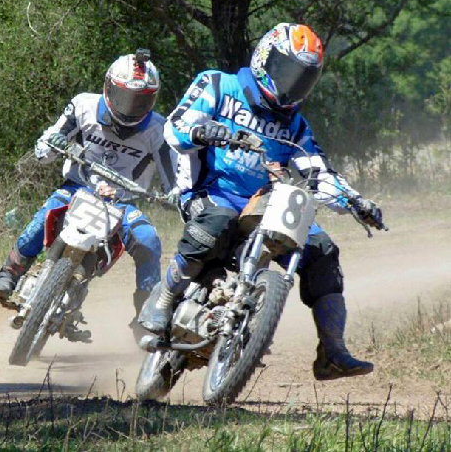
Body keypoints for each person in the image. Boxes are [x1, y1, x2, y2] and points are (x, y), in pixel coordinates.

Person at [138, 23, 385, 380]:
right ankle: (164, 299)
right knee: (217, 224)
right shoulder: (219, 85)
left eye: (303, 79)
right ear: (264, 59)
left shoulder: (296, 126)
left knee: (323, 250)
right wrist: (205, 130)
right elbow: (174, 128)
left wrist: (356, 202)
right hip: (210, 190)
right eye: (287, 72)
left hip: (266, 203)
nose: (292, 84)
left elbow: (317, 170)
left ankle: (332, 350)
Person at [0, 49, 177, 336]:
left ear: (153, 98)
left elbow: (174, 176)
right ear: (108, 87)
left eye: (141, 100)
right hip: (77, 188)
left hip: (123, 203)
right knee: (43, 218)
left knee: (149, 242)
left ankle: (146, 315)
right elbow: (51, 138)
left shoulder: (159, 130)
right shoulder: (82, 106)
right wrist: (48, 146)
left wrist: (175, 195)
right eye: (125, 97)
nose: (130, 106)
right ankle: (10, 273)